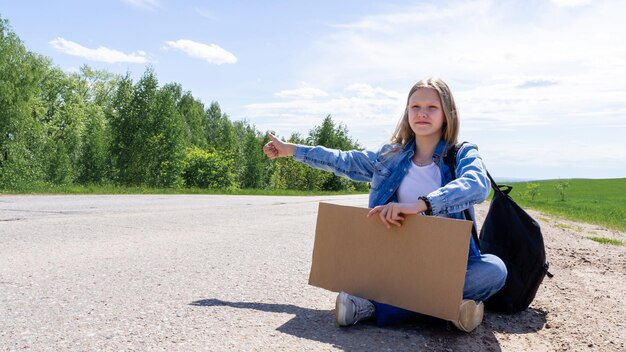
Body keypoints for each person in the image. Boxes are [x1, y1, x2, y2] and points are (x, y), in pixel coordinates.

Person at [262, 77, 507, 332]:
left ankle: (373, 307)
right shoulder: (389, 156)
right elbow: (343, 160)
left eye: (432, 107)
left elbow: (478, 184)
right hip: (396, 262)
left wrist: (422, 204)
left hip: (447, 265)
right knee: (412, 283)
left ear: (447, 113)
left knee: (494, 270)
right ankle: (450, 309)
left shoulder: (462, 153)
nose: (422, 113)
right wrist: (291, 150)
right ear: (407, 112)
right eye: (415, 107)